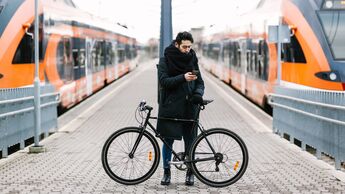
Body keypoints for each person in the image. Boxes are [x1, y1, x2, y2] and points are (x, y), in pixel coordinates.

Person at [156, 31, 205, 186]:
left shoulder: (192, 58)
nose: (187, 50)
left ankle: (190, 173)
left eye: (190, 47)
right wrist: (183, 78)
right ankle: (166, 172)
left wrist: (198, 94)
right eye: (184, 47)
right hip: (170, 107)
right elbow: (164, 82)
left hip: (190, 106)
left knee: (190, 141)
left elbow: (200, 83)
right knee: (168, 141)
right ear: (176, 44)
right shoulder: (165, 60)